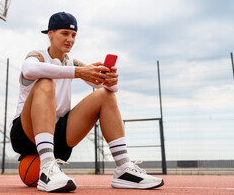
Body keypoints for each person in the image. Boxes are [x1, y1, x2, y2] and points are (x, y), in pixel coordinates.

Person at [10, 12, 164, 192]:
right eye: (65, 33)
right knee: (45, 81)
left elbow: (108, 88)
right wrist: (78, 72)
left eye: (74, 35)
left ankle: (124, 169)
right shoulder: (38, 56)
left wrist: (111, 81)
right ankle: (47, 169)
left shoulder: (71, 62)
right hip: (25, 134)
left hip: (58, 135)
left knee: (105, 95)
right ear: (50, 34)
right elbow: (28, 69)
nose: (70, 39)